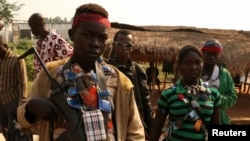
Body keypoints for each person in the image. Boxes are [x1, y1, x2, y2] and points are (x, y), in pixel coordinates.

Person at [17, 3, 144, 141]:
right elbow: (22, 119)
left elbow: (135, 133)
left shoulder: (120, 82)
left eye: (102, 38)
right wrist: (31, 108)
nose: (95, 43)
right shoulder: (50, 74)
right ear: (72, 35)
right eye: (88, 35)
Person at [149, 45, 221, 141]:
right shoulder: (168, 94)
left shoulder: (213, 94)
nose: (193, 67)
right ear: (179, 66)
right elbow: (156, 128)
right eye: (187, 63)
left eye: (198, 62)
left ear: (203, 64)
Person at [107, 29, 153, 138]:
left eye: (128, 45)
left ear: (132, 48)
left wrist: (151, 129)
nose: (124, 47)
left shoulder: (137, 70)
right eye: (120, 44)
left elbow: (145, 102)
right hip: (110, 119)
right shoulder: (104, 69)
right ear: (114, 45)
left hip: (132, 120)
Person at [201, 39, 238, 124]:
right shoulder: (195, 70)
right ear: (203, 53)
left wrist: (216, 98)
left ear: (219, 56)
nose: (212, 57)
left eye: (215, 54)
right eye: (209, 54)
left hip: (219, 119)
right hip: (195, 118)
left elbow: (232, 97)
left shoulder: (224, 74)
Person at [0, 35, 29, 140]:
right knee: (4, 129)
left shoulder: (17, 59)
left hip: (12, 102)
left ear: (4, 45)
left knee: (18, 131)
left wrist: (21, 104)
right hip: (1, 102)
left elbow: (23, 83)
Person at [28, 13, 74, 77]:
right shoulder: (38, 43)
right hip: (41, 82)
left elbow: (70, 55)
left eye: (31, 27)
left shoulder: (53, 38)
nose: (31, 30)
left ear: (36, 25)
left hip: (52, 82)